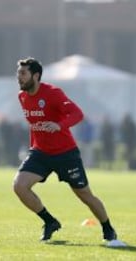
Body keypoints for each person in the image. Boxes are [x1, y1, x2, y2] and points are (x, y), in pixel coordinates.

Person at [13, 57, 118, 242]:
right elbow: (33, 125)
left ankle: (108, 228)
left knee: (85, 195)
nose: (19, 77)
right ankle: (50, 221)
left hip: (65, 154)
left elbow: (77, 114)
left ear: (35, 75)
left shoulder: (53, 93)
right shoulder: (22, 97)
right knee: (19, 186)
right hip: (40, 153)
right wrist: (32, 147)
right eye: (18, 73)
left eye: (23, 73)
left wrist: (59, 125)